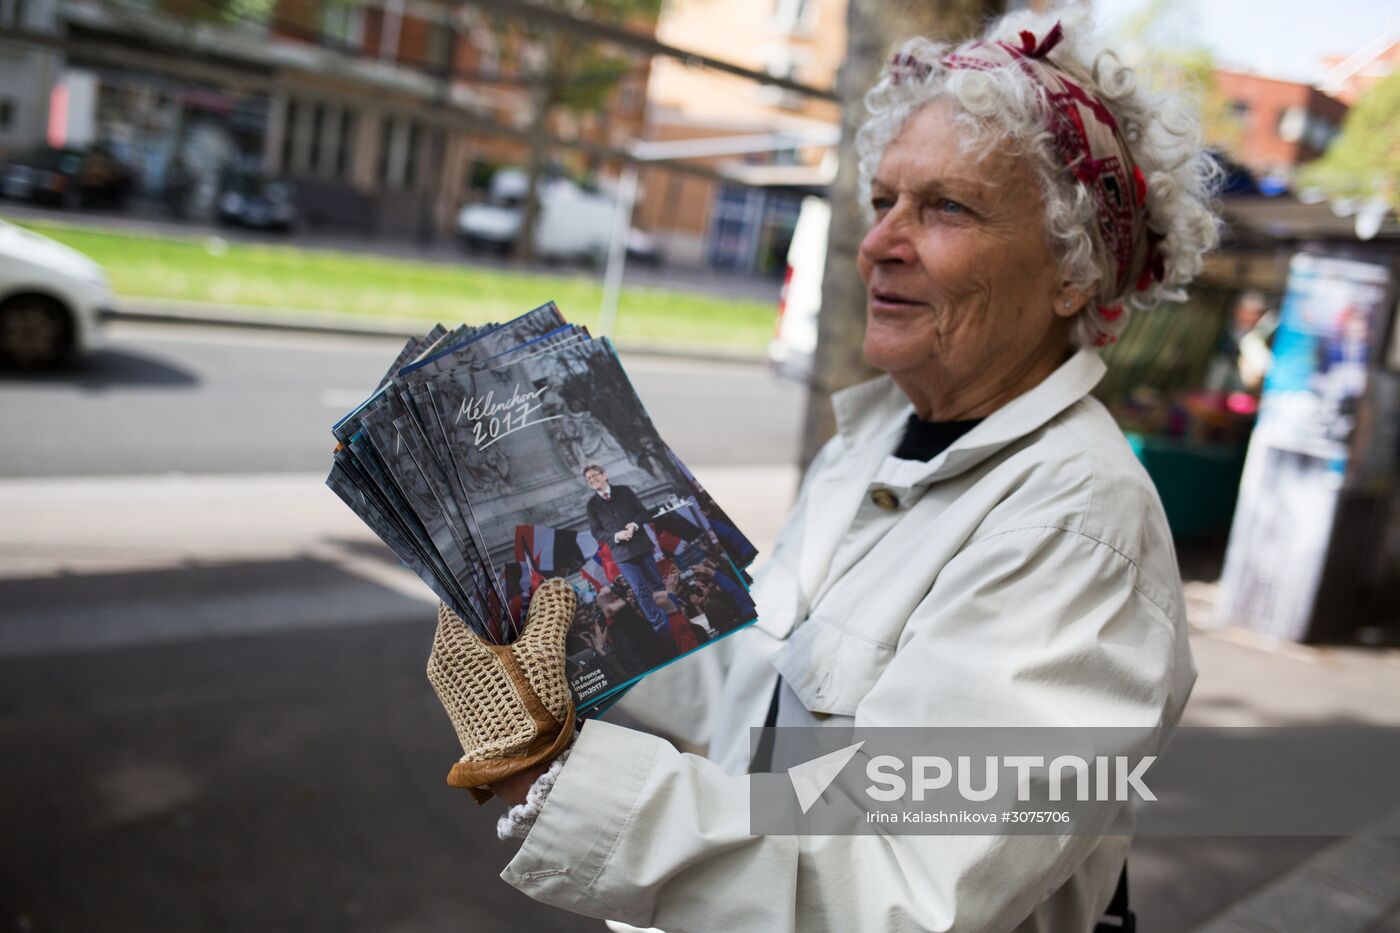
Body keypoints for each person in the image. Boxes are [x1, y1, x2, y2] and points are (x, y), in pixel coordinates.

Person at [424, 10, 1218, 931]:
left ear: (1072, 273)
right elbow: (758, 705)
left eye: (947, 207)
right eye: (883, 201)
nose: (881, 240)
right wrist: (572, 614)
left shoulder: (1078, 527)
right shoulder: (877, 437)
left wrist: (547, 777)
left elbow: (900, 884)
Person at [582, 464, 672, 635]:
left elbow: (642, 512)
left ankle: (672, 616)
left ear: (605, 475)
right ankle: (660, 626)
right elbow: (596, 532)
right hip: (622, 555)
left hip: (641, 546)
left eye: (595, 476)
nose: (593, 480)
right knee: (640, 590)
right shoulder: (592, 505)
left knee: (657, 583)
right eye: (589, 479)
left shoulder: (624, 491)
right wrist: (617, 536)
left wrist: (634, 525)